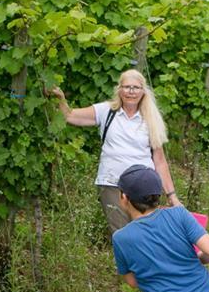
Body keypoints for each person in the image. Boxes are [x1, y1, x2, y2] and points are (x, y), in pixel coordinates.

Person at [47, 69, 180, 234]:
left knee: (148, 234)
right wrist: (60, 98)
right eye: (127, 87)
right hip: (112, 184)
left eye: (136, 88)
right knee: (122, 234)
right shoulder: (106, 111)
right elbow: (70, 116)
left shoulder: (151, 118)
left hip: (144, 187)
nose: (131, 91)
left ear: (143, 91)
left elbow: (160, 161)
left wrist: (172, 195)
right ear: (119, 89)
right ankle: (127, 260)